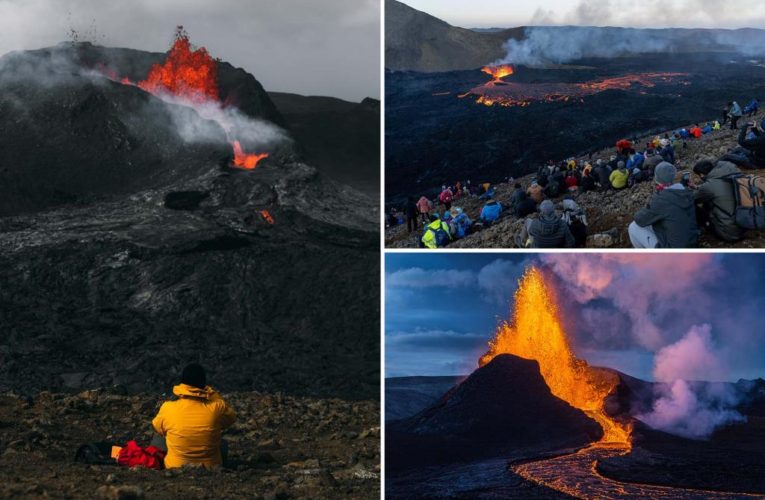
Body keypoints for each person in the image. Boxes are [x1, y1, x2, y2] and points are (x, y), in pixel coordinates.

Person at [151, 363, 237, 469]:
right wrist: (212, 394)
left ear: (182, 382)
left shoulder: (168, 407)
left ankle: (160, 465)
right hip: (210, 467)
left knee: (158, 438)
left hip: (175, 467)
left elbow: (157, 427)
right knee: (222, 443)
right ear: (204, 384)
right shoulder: (216, 407)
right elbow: (231, 418)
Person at [628, 162, 699, 248]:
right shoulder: (687, 192)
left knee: (633, 227)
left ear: (658, 180)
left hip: (673, 251)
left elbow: (640, 219)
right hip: (692, 242)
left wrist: (649, 206)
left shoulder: (661, 200)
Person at [692, 159, 745, 242]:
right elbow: (717, 190)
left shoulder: (709, 186)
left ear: (701, 174)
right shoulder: (728, 175)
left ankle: (702, 228)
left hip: (729, 233)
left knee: (693, 206)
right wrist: (698, 187)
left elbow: (692, 198)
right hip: (744, 226)